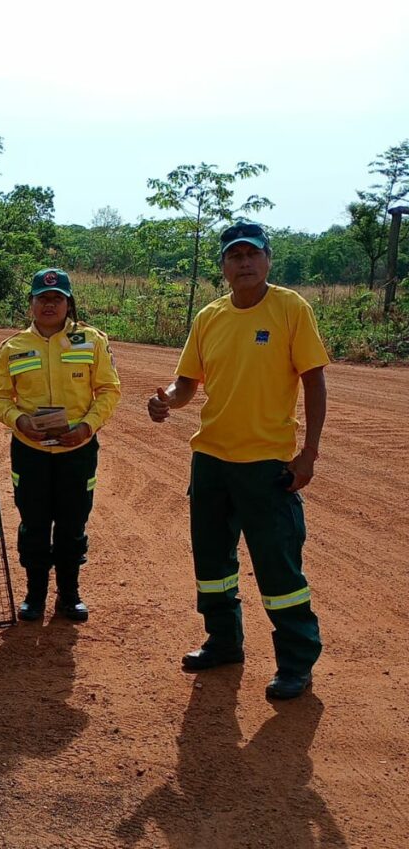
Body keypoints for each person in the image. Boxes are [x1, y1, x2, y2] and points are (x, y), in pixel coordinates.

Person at [147, 221, 328, 701]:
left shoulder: (291, 308)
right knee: (212, 562)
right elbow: (187, 382)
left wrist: (308, 454)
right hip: (210, 459)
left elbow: (314, 380)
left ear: (268, 259)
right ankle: (223, 641)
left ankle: (296, 661)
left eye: (253, 254)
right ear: (223, 266)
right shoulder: (209, 317)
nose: (244, 263)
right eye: (235, 256)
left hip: (265, 463)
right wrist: (166, 398)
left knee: (278, 566)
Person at [0, 268, 121, 622]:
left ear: (68, 303)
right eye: (42, 298)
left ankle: (69, 594)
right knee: (33, 522)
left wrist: (87, 427)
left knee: (72, 522)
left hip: (77, 450)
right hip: (30, 452)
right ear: (31, 303)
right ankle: (34, 595)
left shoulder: (91, 341)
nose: (50, 304)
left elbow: (109, 391)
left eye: (57, 298)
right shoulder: (13, 347)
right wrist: (20, 421)